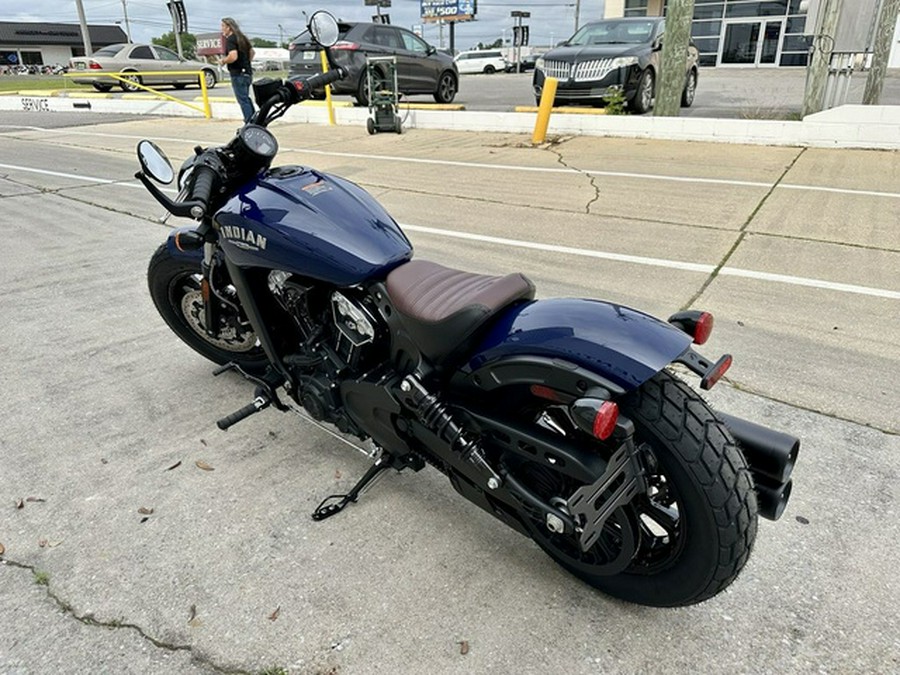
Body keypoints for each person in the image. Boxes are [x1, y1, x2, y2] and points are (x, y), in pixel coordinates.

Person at [218, 17, 255, 122]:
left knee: (242, 100)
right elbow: (252, 53)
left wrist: (224, 61)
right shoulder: (242, 38)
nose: (222, 29)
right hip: (247, 73)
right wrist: (246, 63)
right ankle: (254, 120)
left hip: (237, 74)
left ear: (229, 27)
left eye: (223, 26)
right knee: (246, 98)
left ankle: (249, 122)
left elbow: (233, 56)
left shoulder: (231, 39)